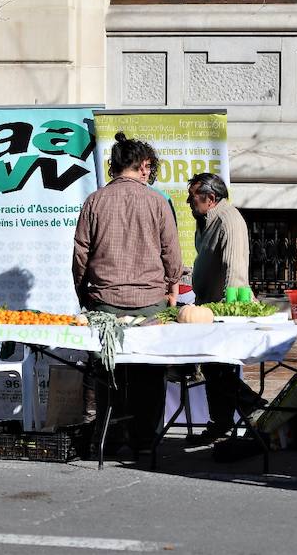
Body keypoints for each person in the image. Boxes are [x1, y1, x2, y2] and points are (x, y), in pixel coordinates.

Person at [73, 132, 182, 454]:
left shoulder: (95, 200)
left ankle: (108, 438)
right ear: (142, 166)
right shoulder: (156, 201)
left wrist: (83, 292)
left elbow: (81, 254)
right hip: (150, 302)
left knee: (107, 372)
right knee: (149, 373)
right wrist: (173, 287)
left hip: (105, 301)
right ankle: (144, 441)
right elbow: (171, 253)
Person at [185, 172, 265, 446]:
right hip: (208, 307)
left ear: (210, 198)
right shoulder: (206, 220)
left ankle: (253, 405)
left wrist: (230, 310)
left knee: (218, 370)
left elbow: (235, 268)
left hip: (222, 309)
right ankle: (221, 422)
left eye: (193, 196)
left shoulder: (228, 219)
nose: (188, 201)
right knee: (213, 367)